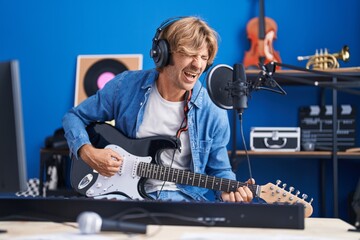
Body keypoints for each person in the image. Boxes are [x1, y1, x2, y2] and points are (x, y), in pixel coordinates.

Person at [62, 16, 254, 203]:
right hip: (120, 197)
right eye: (189, 54)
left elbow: (220, 170)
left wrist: (229, 191)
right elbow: (74, 117)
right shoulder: (126, 86)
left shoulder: (212, 109)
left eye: (203, 57)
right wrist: (87, 152)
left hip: (183, 200)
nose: (197, 65)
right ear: (163, 54)